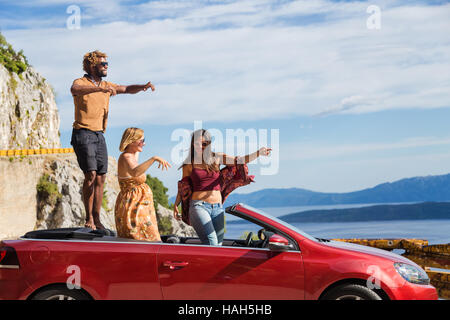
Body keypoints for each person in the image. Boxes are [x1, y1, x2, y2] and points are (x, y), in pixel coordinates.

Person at [70, 50, 155, 230]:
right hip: (83, 133)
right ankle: (89, 219)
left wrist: (142, 87)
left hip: (99, 135)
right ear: (92, 66)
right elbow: (74, 90)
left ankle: (97, 218)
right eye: (103, 64)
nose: (107, 67)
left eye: (107, 64)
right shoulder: (82, 82)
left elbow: (125, 89)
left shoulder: (107, 85)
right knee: (91, 175)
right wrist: (99, 88)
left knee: (101, 177)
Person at [173, 129, 271, 246]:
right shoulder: (189, 164)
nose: (200, 146)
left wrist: (258, 153)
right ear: (193, 144)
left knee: (218, 246)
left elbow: (239, 161)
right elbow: (183, 187)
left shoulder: (217, 158)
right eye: (197, 143)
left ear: (209, 144)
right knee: (212, 243)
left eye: (204, 144)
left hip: (218, 208)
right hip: (199, 206)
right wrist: (176, 204)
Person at [114, 127, 171, 241]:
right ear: (131, 140)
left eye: (144, 140)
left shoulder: (132, 155)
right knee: (142, 239)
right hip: (133, 206)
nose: (144, 143)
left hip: (140, 205)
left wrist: (138, 147)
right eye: (141, 140)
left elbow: (136, 165)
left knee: (147, 238)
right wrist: (154, 159)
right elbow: (135, 172)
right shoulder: (126, 157)